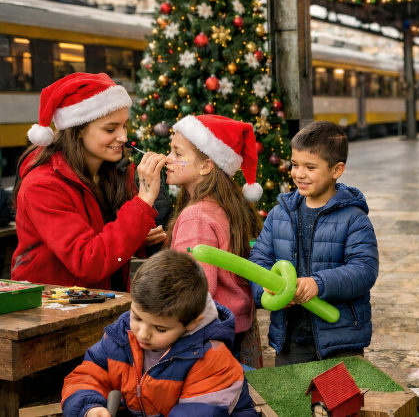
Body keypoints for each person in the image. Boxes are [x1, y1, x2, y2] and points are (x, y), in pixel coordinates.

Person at [12, 73, 166, 291]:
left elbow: (113, 241)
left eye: (125, 126)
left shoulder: (115, 171)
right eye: (110, 129)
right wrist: (145, 199)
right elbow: (90, 262)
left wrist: (145, 240)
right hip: (50, 311)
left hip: (99, 302)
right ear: (78, 131)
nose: (123, 137)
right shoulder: (41, 186)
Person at [61, 250, 256, 417]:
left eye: (160, 329)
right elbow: (87, 375)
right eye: (136, 317)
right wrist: (89, 408)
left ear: (192, 322)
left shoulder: (212, 358)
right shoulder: (119, 337)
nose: (143, 334)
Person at [249, 121, 378, 365]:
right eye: (295, 164)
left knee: (336, 401)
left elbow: (364, 270)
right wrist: (266, 288)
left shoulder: (354, 218)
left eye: (310, 167)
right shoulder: (280, 214)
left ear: (337, 170)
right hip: (290, 338)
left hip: (339, 339)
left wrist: (317, 285)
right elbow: (259, 260)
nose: (299, 173)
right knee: (291, 400)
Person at [165, 115, 264, 368]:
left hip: (210, 334)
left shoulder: (196, 216)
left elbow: (196, 290)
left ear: (206, 166)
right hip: (238, 325)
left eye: (178, 153)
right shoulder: (228, 206)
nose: (168, 159)